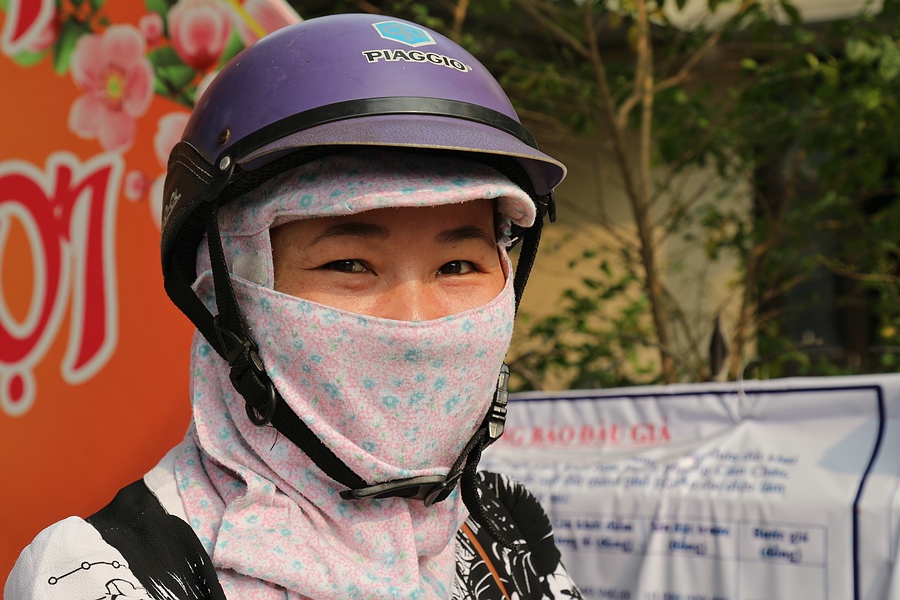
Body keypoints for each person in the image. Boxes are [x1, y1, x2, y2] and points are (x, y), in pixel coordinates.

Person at [5, 13, 579, 600]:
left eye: (457, 267)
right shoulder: (107, 574)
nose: (416, 320)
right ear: (226, 300)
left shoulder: (499, 525)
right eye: (348, 265)